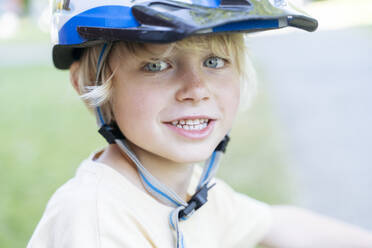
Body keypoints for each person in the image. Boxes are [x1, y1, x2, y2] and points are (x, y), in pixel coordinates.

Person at [28, 0, 372, 247]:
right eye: (156, 66)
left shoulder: (190, 192)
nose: (195, 89)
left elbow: (275, 223)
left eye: (214, 61)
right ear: (88, 86)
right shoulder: (96, 219)